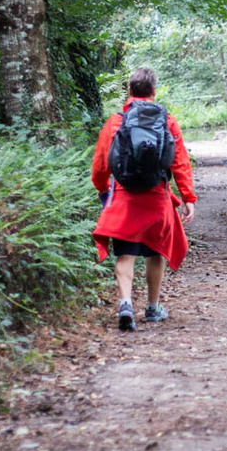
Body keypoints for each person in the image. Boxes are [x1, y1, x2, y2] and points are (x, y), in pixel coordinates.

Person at [91, 68, 196, 331]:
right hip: (157, 196)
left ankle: (126, 304)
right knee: (156, 252)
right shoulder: (167, 120)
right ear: (154, 91)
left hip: (125, 196)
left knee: (125, 254)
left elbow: (102, 161)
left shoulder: (116, 121)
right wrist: (187, 197)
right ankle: (152, 307)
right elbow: (179, 161)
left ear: (129, 90)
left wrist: (102, 188)